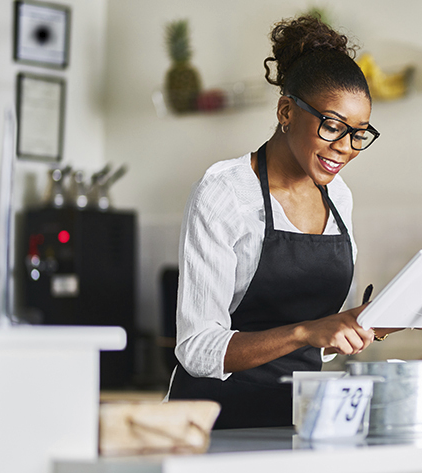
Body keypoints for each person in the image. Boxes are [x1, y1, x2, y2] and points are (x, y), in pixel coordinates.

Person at [167, 15, 390, 429]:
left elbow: (315, 341)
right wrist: (307, 332)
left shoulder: (339, 198)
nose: (345, 148)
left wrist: (349, 326)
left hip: (296, 423)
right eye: (332, 126)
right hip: (213, 425)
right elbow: (196, 349)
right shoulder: (225, 193)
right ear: (287, 111)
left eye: (359, 134)